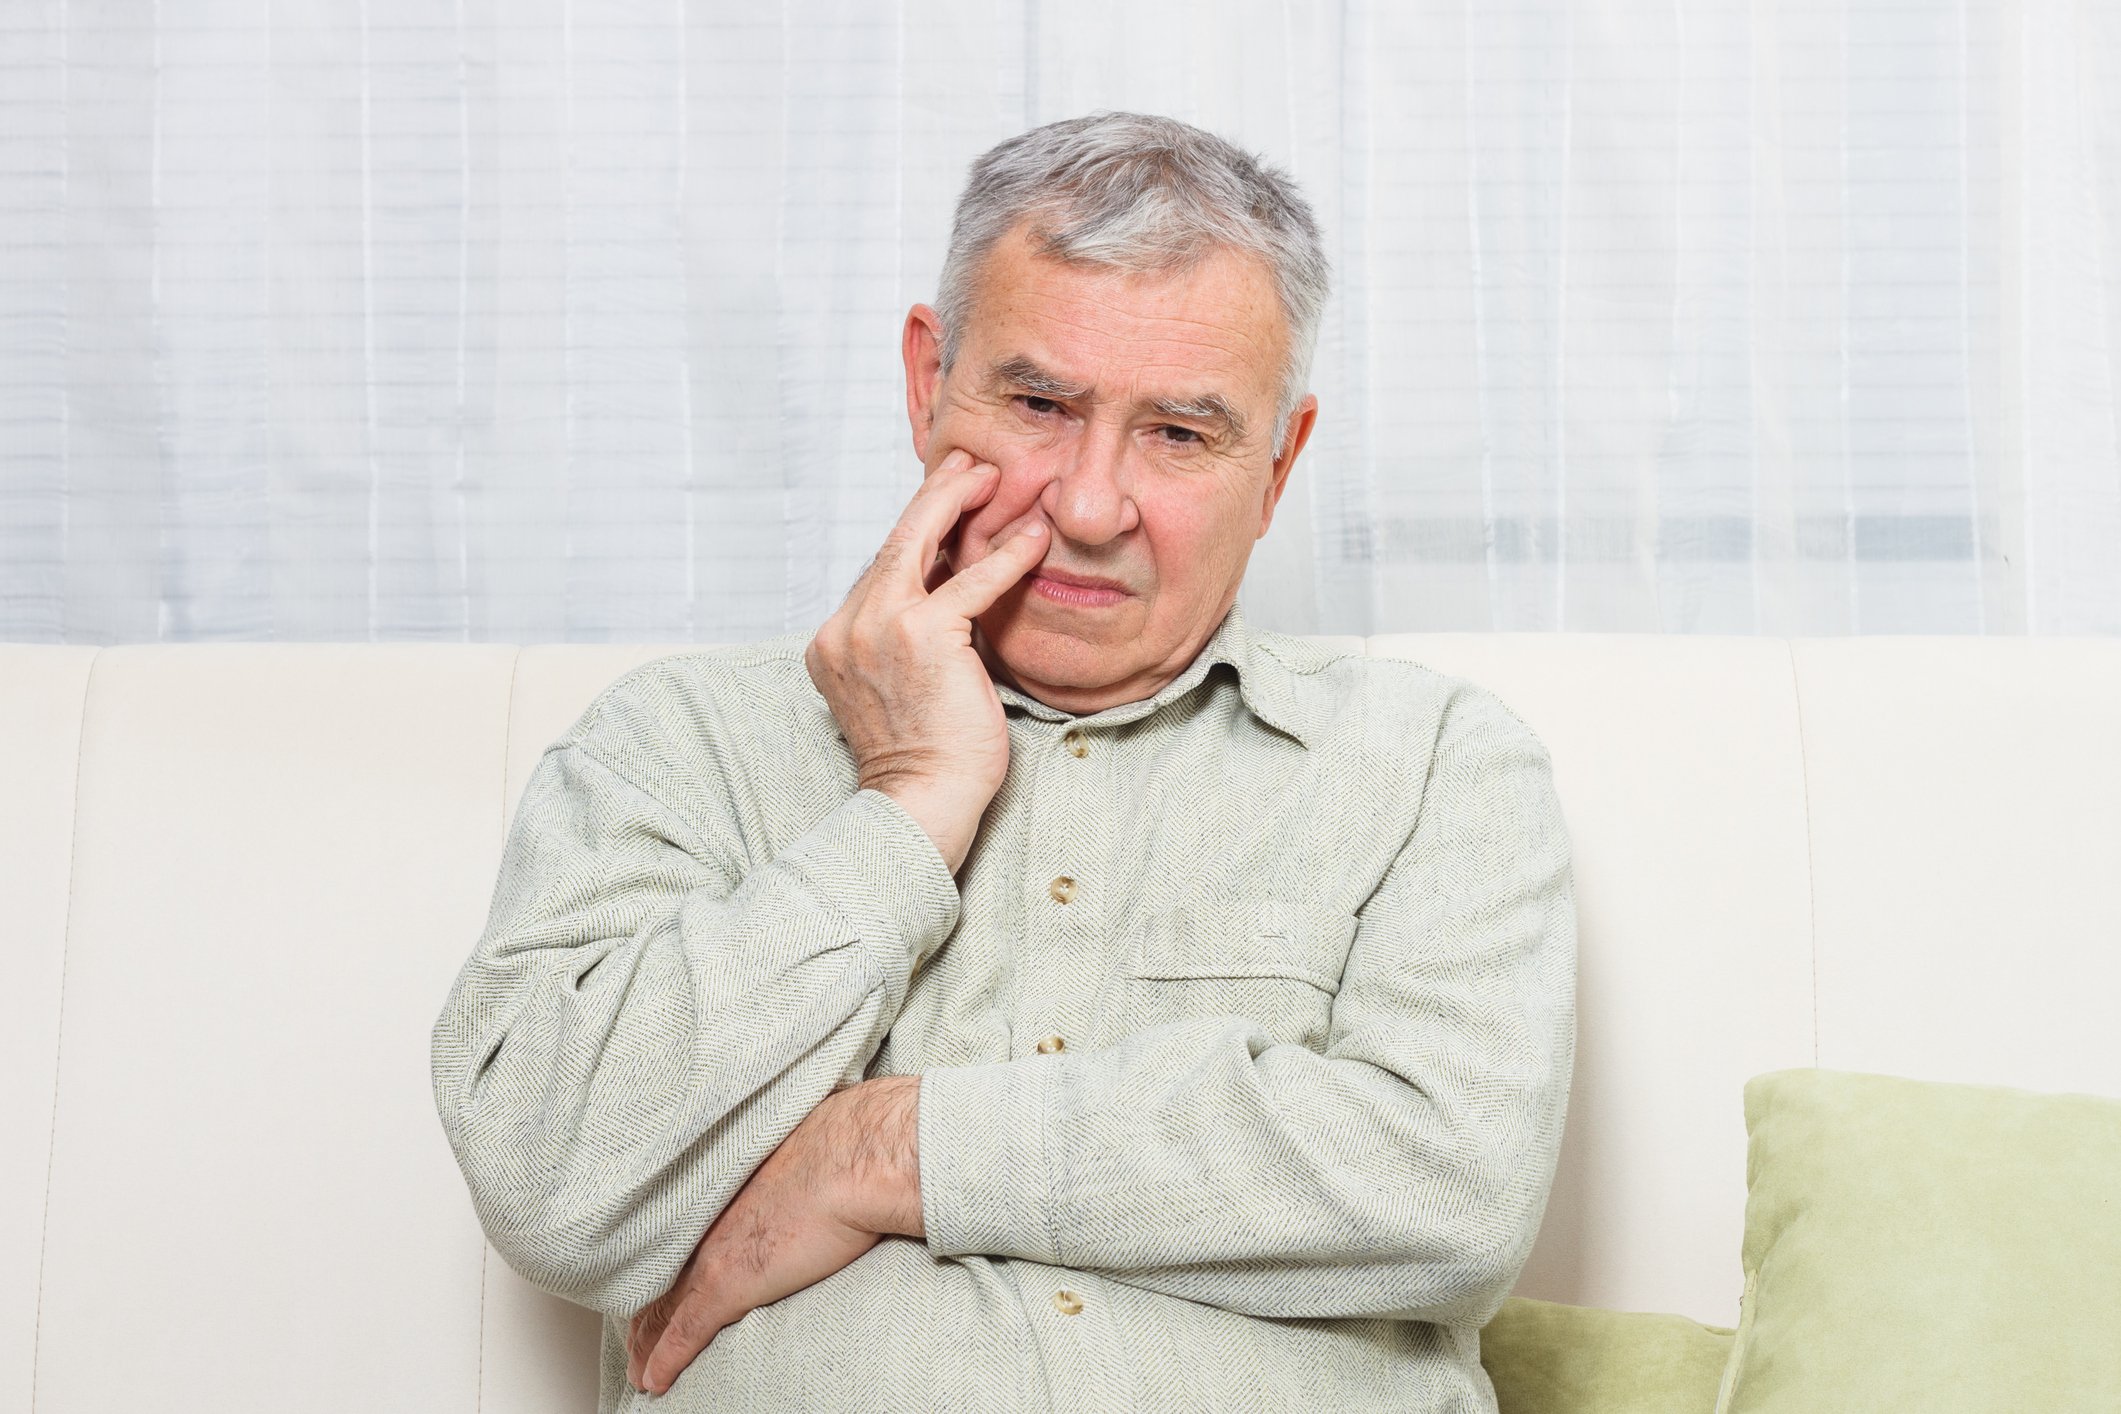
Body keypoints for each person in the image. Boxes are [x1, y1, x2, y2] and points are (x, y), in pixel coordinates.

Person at [430, 110, 1576, 1413]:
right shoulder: (674, 744)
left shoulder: (1435, 763)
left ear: (1279, 462)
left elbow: (1448, 1187)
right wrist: (908, 804)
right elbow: (554, 1175)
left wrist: (884, 1146)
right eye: (1039, 404)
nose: (1088, 508)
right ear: (930, 382)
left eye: (1179, 435)